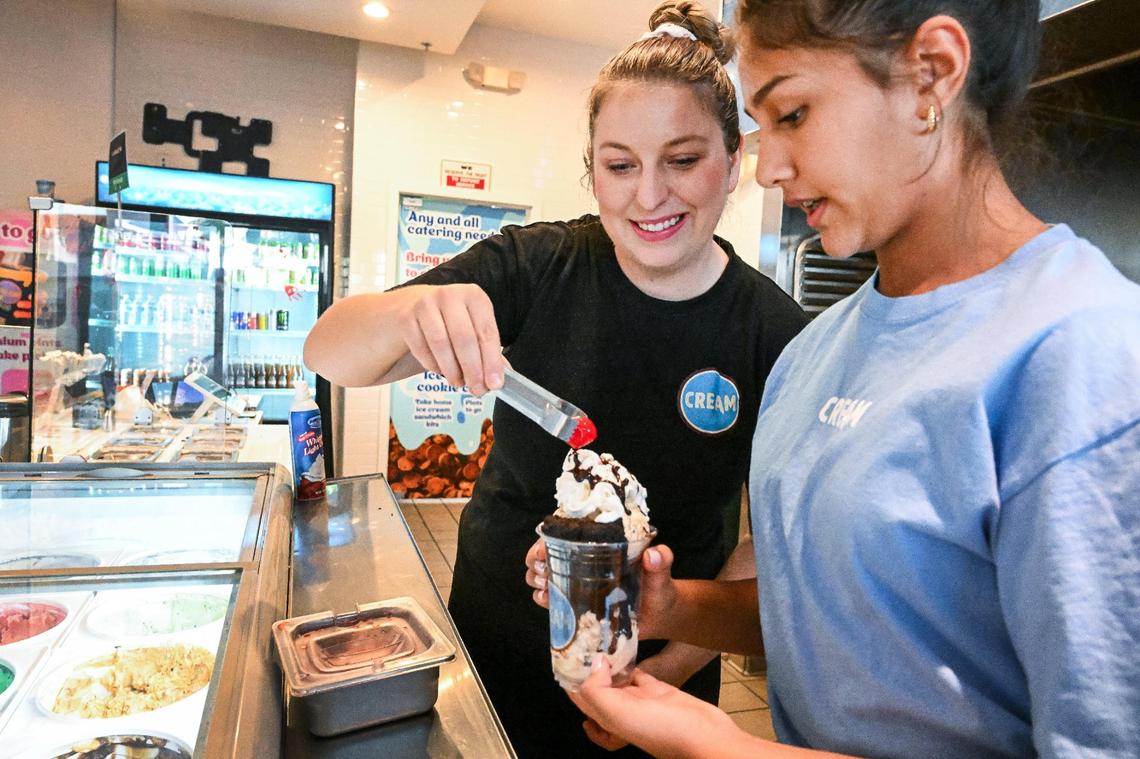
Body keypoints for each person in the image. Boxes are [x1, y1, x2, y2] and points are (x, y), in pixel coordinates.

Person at [551, 0, 1140, 757]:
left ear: (932, 73)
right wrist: (670, 604)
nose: (769, 169)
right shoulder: (813, 352)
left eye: (792, 113)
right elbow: (833, 614)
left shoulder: (1081, 354)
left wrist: (726, 748)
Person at [303, 2, 808, 756]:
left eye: (683, 159)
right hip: (495, 650)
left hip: (661, 678)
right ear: (592, 169)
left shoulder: (775, 333)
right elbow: (328, 351)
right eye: (620, 164)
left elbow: (766, 549)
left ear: (734, 163)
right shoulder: (537, 267)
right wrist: (411, 311)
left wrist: (666, 668)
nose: (648, 195)